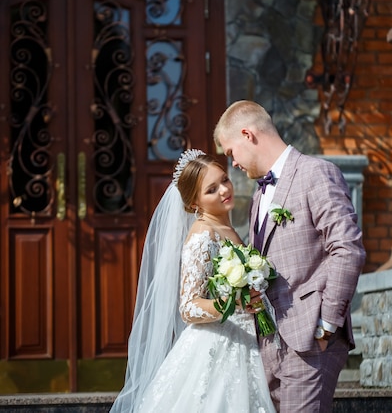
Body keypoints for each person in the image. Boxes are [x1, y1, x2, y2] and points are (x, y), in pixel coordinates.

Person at [213, 100, 366, 413]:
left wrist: (327, 326)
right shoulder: (259, 195)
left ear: (247, 134)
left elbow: (347, 248)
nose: (234, 165)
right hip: (270, 343)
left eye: (231, 153)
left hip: (311, 339)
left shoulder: (315, 173)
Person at [110, 148, 275, 413]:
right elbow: (188, 306)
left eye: (224, 180)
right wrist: (231, 301)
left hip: (244, 340)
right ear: (194, 203)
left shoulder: (226, 227)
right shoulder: (203, 235)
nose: (224, 190)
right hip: (217, 348)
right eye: (211, 189)